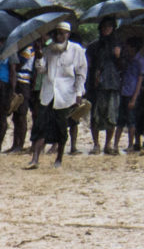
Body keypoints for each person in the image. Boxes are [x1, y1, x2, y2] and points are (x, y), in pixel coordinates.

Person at [28, 22, 86, 170]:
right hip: (48, 94)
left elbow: (81, 73)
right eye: (56, 33)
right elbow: (41, 70)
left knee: (61, 129)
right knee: (40, 126)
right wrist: (39, 54)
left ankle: (59, 158)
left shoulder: (76, 50)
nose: (59, 36)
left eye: (62, 33)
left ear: (67, 34)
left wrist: (79, 93)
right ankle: (35, 159)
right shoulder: (48, 50)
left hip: (65, 96)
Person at [87, 17, 123, 155]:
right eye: (104, 27)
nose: (106, 29)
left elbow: (123, 67)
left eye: (109, 27)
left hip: (113, 83)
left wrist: (118, 56)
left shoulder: (118, 45)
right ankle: (96, 144)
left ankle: (108, 144)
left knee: (112, 115)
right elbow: (89, 65)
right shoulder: (94, 46)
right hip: (97, 85)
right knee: (95, 115)